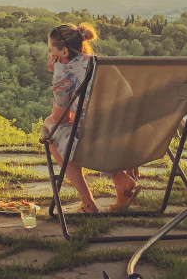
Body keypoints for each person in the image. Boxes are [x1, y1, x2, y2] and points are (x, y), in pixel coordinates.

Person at [43, 22, 141, 213]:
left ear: (63, 52)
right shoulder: (98, 62)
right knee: (78, 127)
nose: (50, 54)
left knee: (49, 127)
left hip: (97, 138)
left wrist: (57, 72)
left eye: (50, 49)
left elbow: (60, 118)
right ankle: (120, 181)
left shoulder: (64, 72)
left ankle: (89, 203)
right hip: (126, 134)